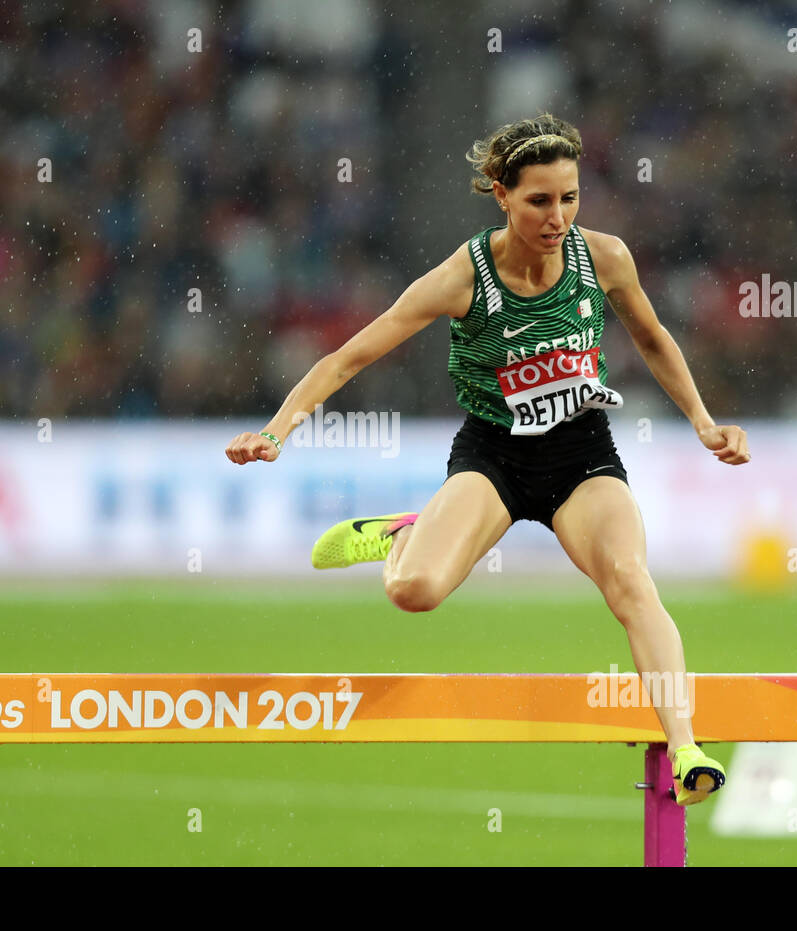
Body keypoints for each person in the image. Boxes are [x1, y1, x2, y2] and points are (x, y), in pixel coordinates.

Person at [224, 113, 749, 806]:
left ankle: (686, 748)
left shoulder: (606, 258)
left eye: (569, 198)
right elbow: (351, 355)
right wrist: (278, 428)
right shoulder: (460, 278)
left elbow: (651, 339)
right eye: (539, 201)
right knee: (414, 594)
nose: (557, 216)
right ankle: (404, 533)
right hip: (494, 458)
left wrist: (703, 421)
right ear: (501, 195)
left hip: (581, 454)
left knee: (629, 580)